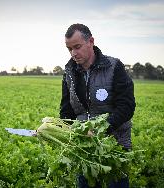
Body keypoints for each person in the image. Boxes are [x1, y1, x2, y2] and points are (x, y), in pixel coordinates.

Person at [60, 23, 136, 188]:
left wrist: (100, 130)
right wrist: (57, 130)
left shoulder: (114, 67)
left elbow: (127, 106)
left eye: (77, 47)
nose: (74, 53)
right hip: (84, 149)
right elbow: (66, 111)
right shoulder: (69, 73)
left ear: (91, 41)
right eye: (69, 49)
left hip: (114, 145)